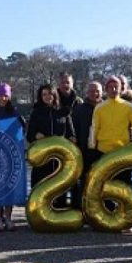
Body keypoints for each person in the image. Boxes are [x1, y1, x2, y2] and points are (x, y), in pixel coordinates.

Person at [89, 75, 132, 232]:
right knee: (103, 185)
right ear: (106, 89)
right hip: (103, 152)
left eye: (116, 87)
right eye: (110, 87)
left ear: (120, 89)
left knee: (125, 184)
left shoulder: (128, 106)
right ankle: (106, 217)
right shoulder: (99, 107)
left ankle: (128, 219)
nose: (113, 89)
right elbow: (94, 128)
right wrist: (92, 147)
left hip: (122, 152)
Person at [0, 82, 26, 231]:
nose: (3, 98)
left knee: (9, 187)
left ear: (9, 97)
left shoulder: (14, 112)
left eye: (6, 95)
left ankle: (8, 217)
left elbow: (21, 131)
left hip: (10, 155)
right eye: (1, 95)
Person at [28, 83, 77, 209]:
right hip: (43, 161)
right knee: (41, 188)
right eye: (44, 94)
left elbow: (71, 134)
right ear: (40, 96)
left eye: (50, 93)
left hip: (60, 160)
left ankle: (60, 213)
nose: (47, 96)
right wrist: (36, 135)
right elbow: (29, 136)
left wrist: (72, 139)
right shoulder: (36, 113)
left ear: (54, 95)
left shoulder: (64, 112)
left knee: (61, 189)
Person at [72, 81, 103, 210]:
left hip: (102, 151)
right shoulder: (79, 109)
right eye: (91, 91)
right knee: (83, 183)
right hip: (84, 151)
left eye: (97, 91)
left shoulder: (106, 107)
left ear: (102, 92)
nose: (94, 93)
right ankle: (81, 210)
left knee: (102, 182)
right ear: (87, 92)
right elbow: (74, 130)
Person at [56, 72, 84, 210]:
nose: (65, 85)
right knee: (59, 177)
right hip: (59, 145)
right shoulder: (54, 100)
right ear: (58, 84)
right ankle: (59, 207)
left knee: (76, 179)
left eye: (68, 82)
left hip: (76, 144)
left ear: (72, 84)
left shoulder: (79, 102)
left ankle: (76, 208)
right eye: (62, 82)